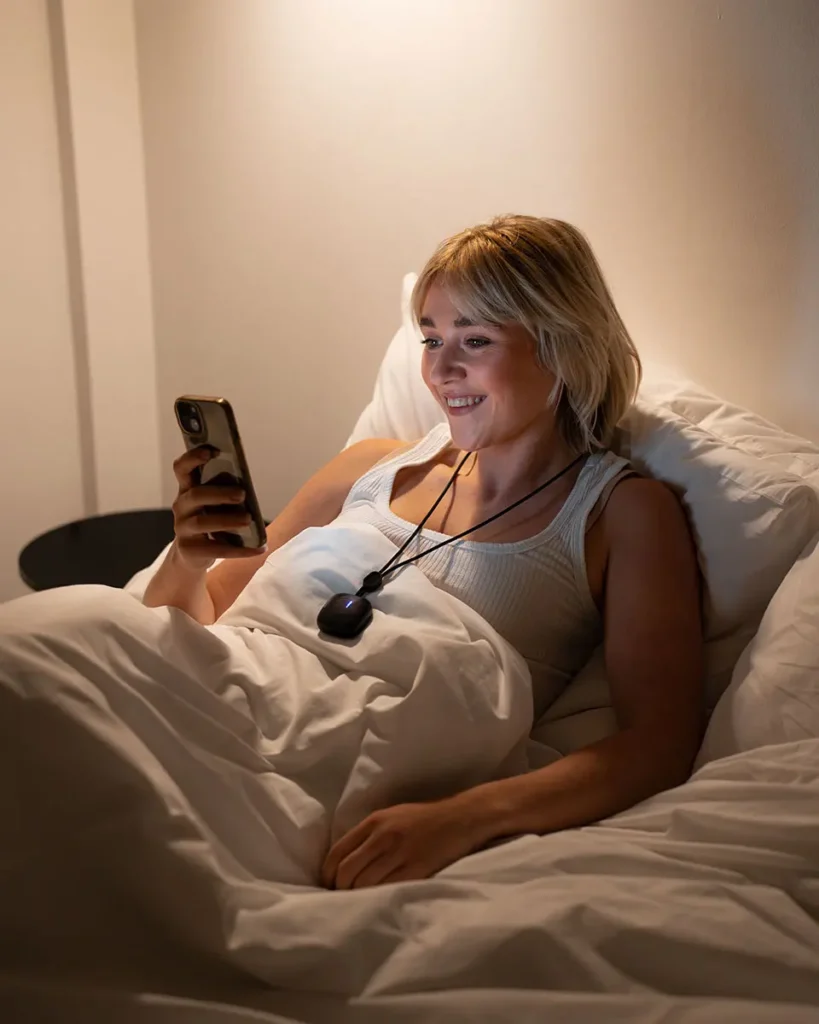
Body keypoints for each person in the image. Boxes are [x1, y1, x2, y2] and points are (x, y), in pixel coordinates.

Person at [144, 215, 703, 890]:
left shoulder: (621, 513)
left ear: (559, 347)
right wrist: (186, 559)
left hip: (314, 767)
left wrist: (461, 818)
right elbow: (191, 626)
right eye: (432, 338)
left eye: (474, 339)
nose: (440, 370)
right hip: (214, 700)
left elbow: (658, 744)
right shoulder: (369, 467)